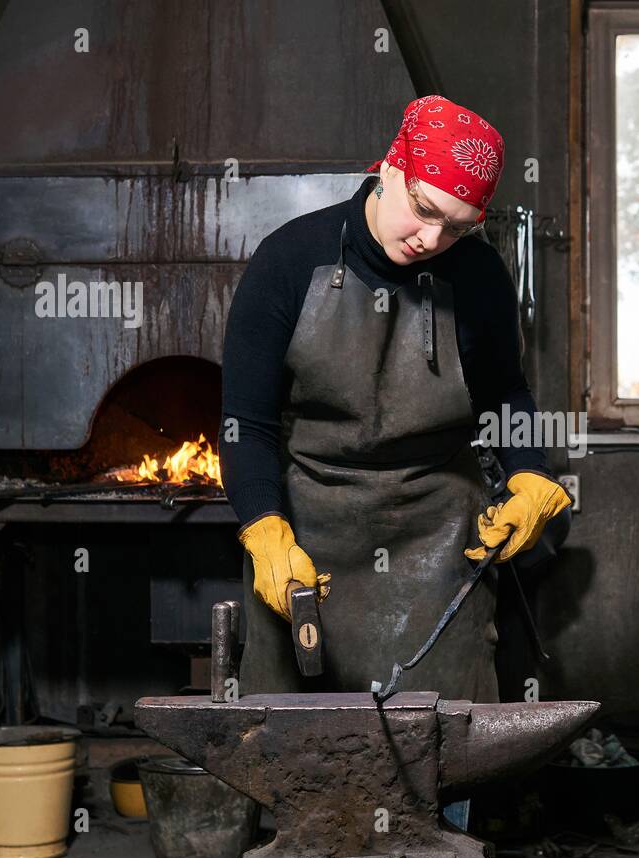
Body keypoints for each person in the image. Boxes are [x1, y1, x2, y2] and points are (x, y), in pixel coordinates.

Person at [219, 94, 570, 704]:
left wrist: (530, 473)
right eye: (424, 210)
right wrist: (264, 529)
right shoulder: (288, 259)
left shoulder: (479, 276)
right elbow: (245, 423)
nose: (432, 239)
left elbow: (505, 394)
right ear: (390, 166)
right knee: (299, 759)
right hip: (308, 540)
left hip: (439, 545)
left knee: (442, 760)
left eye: (458, 227)